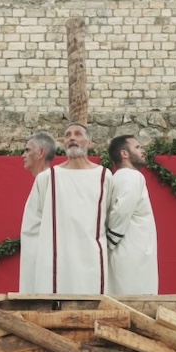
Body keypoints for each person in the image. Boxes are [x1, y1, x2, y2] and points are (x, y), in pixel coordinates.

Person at [21, 123, 113, 294]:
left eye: (78, 134)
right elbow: (32, 227)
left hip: (92, 260)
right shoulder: (47, 178)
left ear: (89, 142)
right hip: (55, 263)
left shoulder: (104, 176)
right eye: (68, 134)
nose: (72, 137)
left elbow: (110, 218)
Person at [105, 135, 159, 295]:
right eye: (137, 147)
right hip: (131, 255)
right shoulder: (131, 176)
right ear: (124, 154)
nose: (143, 150)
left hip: (130, 252)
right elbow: (121, 210)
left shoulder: (121, 177)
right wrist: (110, 242)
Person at [18, 131, 56, 293]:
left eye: (27, 150)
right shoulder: (45, 178)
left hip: (42, 257)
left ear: (41, 152)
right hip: (34, 253)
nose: (23, 155)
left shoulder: (47, 178)